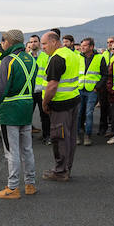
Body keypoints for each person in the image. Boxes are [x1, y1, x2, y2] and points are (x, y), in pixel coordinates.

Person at [0, 29, 37, 199]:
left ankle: (12, 187)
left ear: (10, 42)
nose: (2, 43)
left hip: (10, 110)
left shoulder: (8, 61)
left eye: (3, 40)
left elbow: (0, 90)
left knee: (12, 152)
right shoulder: (32, 60)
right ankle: (30, 184)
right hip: (26, 107)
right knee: (27, 149)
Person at [39, 30, 80, 182]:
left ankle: (61, 171)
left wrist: (45, 103)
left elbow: (52, 86)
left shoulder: (56, 58)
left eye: (44, 43)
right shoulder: (72, 54)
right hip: (73, 101)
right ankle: (66, 168)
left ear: (54, 42)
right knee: (69, 138)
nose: (43, 47)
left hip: (60, 104)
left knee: (60, 138)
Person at [76, 37, 106, 145]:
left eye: (84, 46)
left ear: (91, 47)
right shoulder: (77, 57)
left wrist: (97, 87)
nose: (82, 48)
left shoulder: (100, 58)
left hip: (92, 90)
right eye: (81, 46)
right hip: (79, 89)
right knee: (78, 113)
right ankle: (77, 135)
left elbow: (104, 75)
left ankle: (87, 135)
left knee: (89, 113)